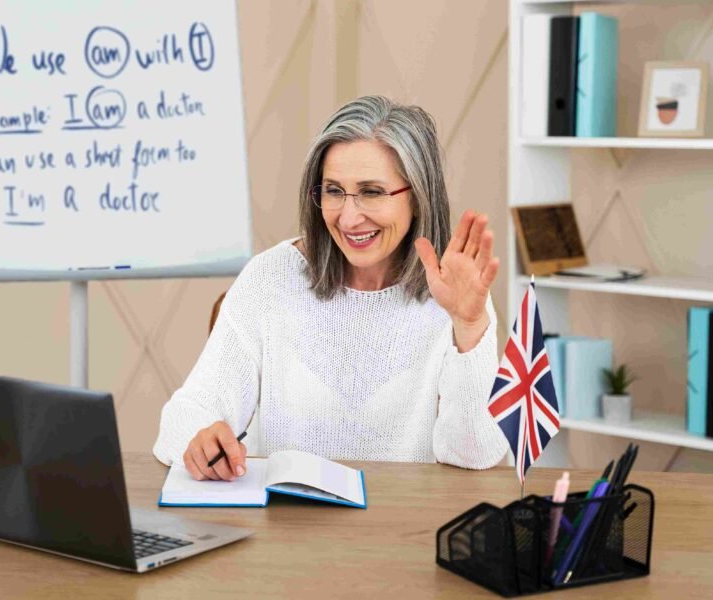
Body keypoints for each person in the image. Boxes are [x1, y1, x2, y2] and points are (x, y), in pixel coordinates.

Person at [153, 96, 508, 481]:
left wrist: (470, 328)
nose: (349, 217)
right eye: (334, 191)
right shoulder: (270, 278)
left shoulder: (454, 291)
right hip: (287, 530)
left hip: (405, 531)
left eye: (372, 191)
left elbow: (475, 454)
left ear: (419, 197)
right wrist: (200, 438)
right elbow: (180, 420)